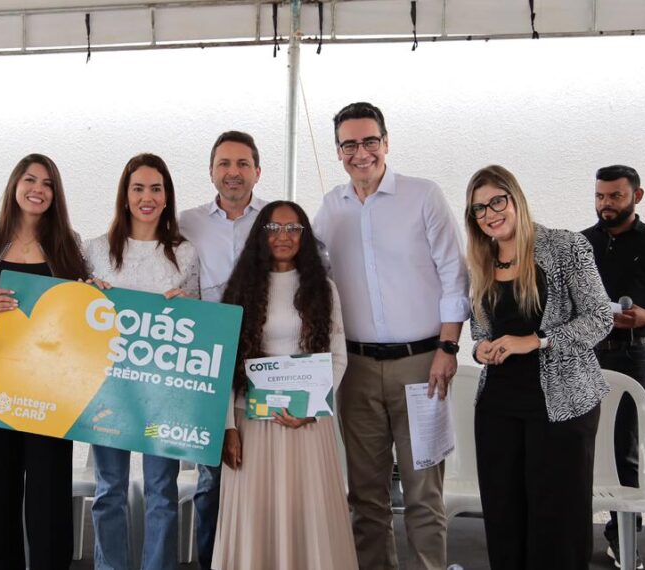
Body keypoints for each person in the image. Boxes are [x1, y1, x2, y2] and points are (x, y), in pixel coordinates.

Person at [312, 102, 468, 570]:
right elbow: (308, 278)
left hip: (423, 366)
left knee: (424, 493)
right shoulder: (330, 208)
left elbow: (454, 277)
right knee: (366, 495)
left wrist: (448, 348)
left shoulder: (423, 196)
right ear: (338, 151)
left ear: (386, 142)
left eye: (370, 141)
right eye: (349, 144)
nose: (361, 153)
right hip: (356, 370)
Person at [465, 165, 613, 569]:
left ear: (516, 198)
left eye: (497, 201)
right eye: (480, 208)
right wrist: (481, 349)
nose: (490, 214)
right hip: (498, 406)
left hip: (562, 405)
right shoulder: (480, 261)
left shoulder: (565, 247)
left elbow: (601, 317)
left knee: (558, 521)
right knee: (504, 518)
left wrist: (537, 340)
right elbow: (480, 330)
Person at [0, 154, 90, 570]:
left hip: (52, 382)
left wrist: (92, 296)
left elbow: (84, 307)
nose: (38, 190)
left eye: (48, 184)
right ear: (15, 184)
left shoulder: (69, 242)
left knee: (50, 486)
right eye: (30, 180)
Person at [213, 200, 357, 570]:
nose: (283, 236)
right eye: (274, 228)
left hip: (306, 424)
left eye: (293, 228)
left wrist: (311, 409)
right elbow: (224, 364)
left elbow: (338, 357)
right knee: (255, 515)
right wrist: (228, 428)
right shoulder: (240, 290)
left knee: (309, 514)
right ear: (260, 236)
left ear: (304, 236)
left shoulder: (324, 289)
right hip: (251, 424)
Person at [83, 153, 199, 570]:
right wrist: (88, 293)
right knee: (109, 489)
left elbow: (199, 323)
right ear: (125, 195)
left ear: (167, 197)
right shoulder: (96, 250)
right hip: (109, 388)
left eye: (155, 189)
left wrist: (189, 305)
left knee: (161, 491)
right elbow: (80, 316)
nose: (146, 197)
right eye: (138, 188)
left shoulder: (185, 253)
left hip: (164, 393)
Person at [581, 164, 645, 568]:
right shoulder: (579, 243)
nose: (605, 204)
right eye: (600, 196)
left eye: (615, 196)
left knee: (623, 447)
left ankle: (623, 540)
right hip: (583, 352)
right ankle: (571, 534)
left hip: (633, 353)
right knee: (575, 441)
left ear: (636, 197)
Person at [177, 131, 267, 570]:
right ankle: (211, 562)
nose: (233, 172)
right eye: (224, 164)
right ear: (211, 171)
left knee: (263, 471)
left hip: (266, 361)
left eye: (243, 163)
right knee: (212, 476)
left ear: (257, 171)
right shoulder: (185, 223)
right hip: (207, 361)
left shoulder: (276, 220)